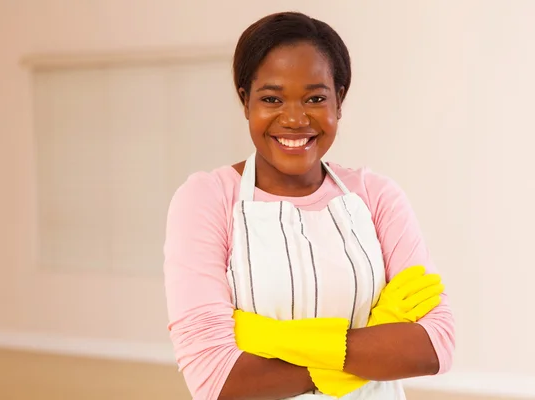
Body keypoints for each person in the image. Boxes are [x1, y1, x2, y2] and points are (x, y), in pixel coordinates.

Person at [163, 11, 455, 400]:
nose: (295, 118)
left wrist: (272, 338)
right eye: (272, 98)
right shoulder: (206, 199)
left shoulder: (376, 195)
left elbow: (435, 345)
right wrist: (371, 346)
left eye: (315, 98)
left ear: (340, 101)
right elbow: (218, 379)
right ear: (245, 101)